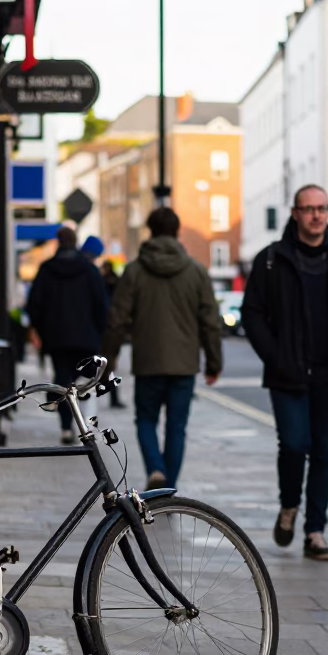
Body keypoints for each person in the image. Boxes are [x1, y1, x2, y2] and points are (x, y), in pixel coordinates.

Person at [242, 184, 328, 561]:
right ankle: (289, 506)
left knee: (324, 453)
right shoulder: (271, 259)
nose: (316, 216)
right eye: (309, 209)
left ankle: (315, 531)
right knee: (294, 445)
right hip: (287, 373)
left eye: (322, 209)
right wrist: (274, 355)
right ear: (295, 213)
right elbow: (251, 313)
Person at [102, 207, 223, 489]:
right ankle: (168, 486)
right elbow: (211, 322)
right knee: (176, 428)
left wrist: (109, 360)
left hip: (148, 361)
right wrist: (214, 363)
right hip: (184, 364)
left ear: (150, 231)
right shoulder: (197, 272)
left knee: (145, 420)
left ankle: (155, 469)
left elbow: (116, 320)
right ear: (177, 232)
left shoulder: (133, 271)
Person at [26, 226, 110, 444]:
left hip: (56, 338)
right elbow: (102, 306)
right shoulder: (91, 271)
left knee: (63, 381)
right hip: (86, 338)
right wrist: (98, 333)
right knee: (85, 381)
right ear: (75, 243)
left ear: (59, 242)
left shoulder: (46, 269)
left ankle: (66, 428)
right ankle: (86, 427)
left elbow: (34, 305)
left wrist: (41, 330)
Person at [100, 260, 127, 410]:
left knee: (108, 366)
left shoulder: (102, 283)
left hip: (107, 329)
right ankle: (113, 396)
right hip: (114, 329)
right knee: (110, 365)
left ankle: (112, 395)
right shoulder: (118, 283)